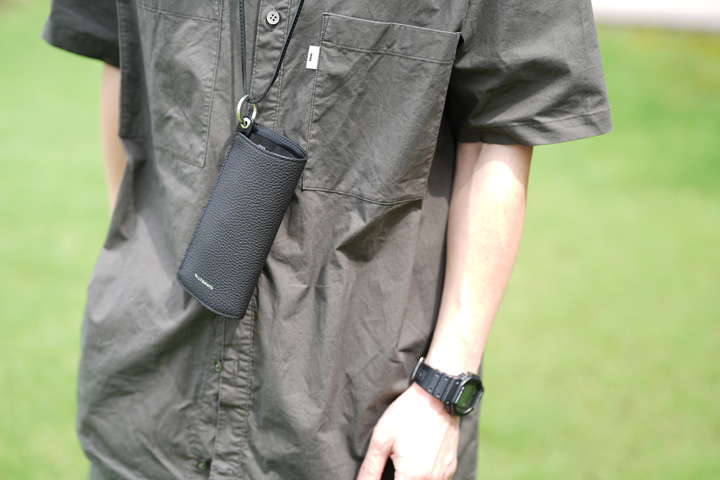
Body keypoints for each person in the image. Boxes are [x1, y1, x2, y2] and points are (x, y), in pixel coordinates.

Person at [42, 0, 611, 478]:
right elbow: (123, 62)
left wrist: (442, 392)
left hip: (360, 429)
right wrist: (138, 280)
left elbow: (502, 129)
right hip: (148, 405)